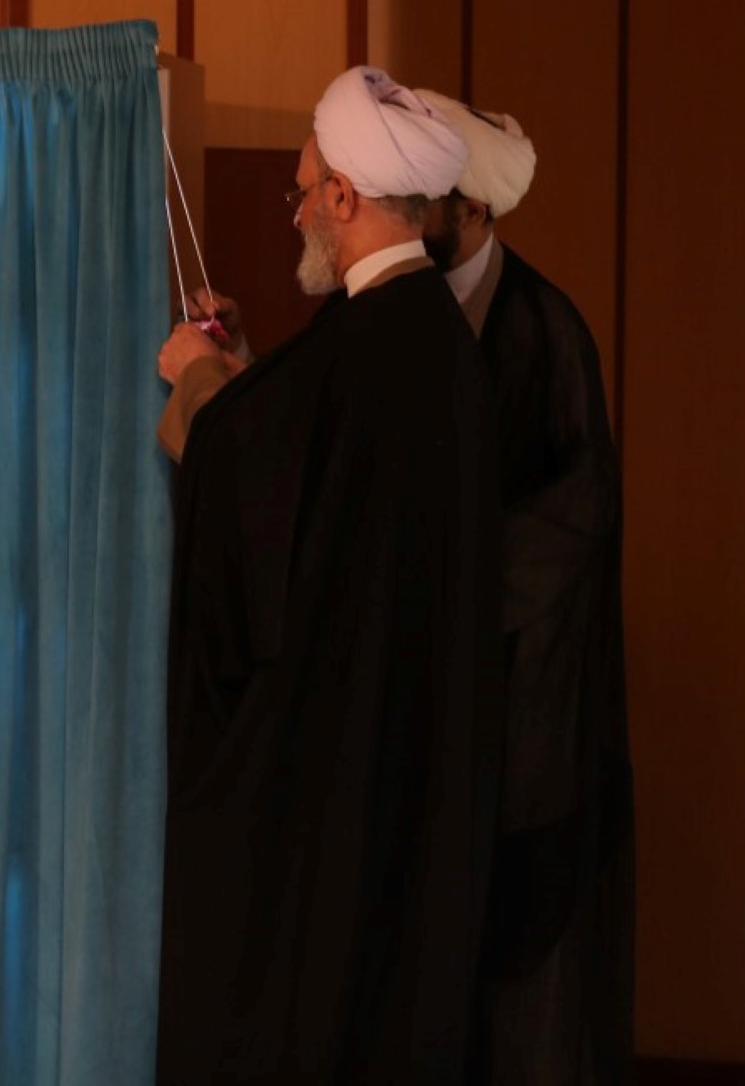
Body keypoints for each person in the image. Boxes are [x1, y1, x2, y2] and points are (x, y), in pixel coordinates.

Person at [152, 66, 505, 1081]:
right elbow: (301, 448)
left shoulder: (371, 340)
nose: (297, 209)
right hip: (405, 751)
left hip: (329, 760)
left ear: (346, 197)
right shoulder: (424, 333)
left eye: (305, 189)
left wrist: (196, 375)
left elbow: (247, 472)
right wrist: (238, 365)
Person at [414, 89, 634, 1084]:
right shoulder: (382, 313)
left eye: (425, 196)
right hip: (419, 700)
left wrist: (445, 579)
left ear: (473, 208)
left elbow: (576, 519)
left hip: (527, 713)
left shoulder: (549, 330)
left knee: (523, 988)